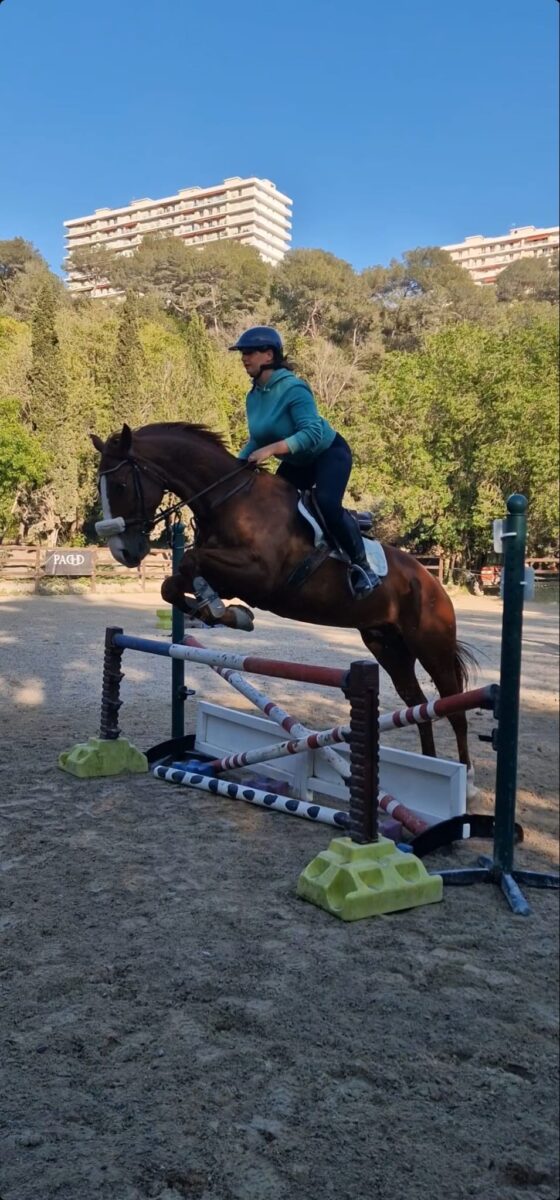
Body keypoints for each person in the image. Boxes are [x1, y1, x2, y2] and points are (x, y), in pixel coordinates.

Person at [230, 326, 380, 597]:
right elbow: (256, 438)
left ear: (268, 355)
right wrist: (233, 468)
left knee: (326, 503)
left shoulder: (294, 388)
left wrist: (271, 450)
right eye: (242, 353)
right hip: (299, 462)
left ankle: (363, 568)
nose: (244, 358)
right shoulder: (253, 397)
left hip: (328, 453)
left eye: (249, 352)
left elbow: (311, 434)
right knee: (270, 504)